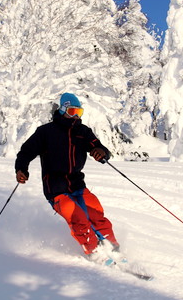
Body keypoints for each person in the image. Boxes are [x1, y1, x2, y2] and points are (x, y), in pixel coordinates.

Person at [15, 93, 120, 259]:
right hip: (55, 188)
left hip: (77, 184)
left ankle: (113, 249)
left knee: (96, 213)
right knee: (78, 218)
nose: (76, 116)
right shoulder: (46, 132)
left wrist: (101, 153)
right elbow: (26, 152)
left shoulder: (83, 131)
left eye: (79, 112)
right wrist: (21, 169)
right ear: (63, 110)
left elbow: (99, 148)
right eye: (72, 111)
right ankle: (96, 252)